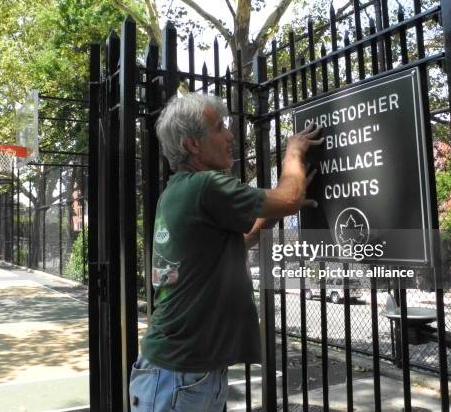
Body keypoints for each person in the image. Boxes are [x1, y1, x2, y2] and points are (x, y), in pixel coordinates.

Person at [129, 93, 322, 411]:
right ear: (193, 144)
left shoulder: (178, 191)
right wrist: (293, 154)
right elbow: (288, 198)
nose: (231, 136)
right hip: (181, 375)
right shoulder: (206, 186)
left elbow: (234, 243)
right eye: (220, 128)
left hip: (181, 372)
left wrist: (275, 210)